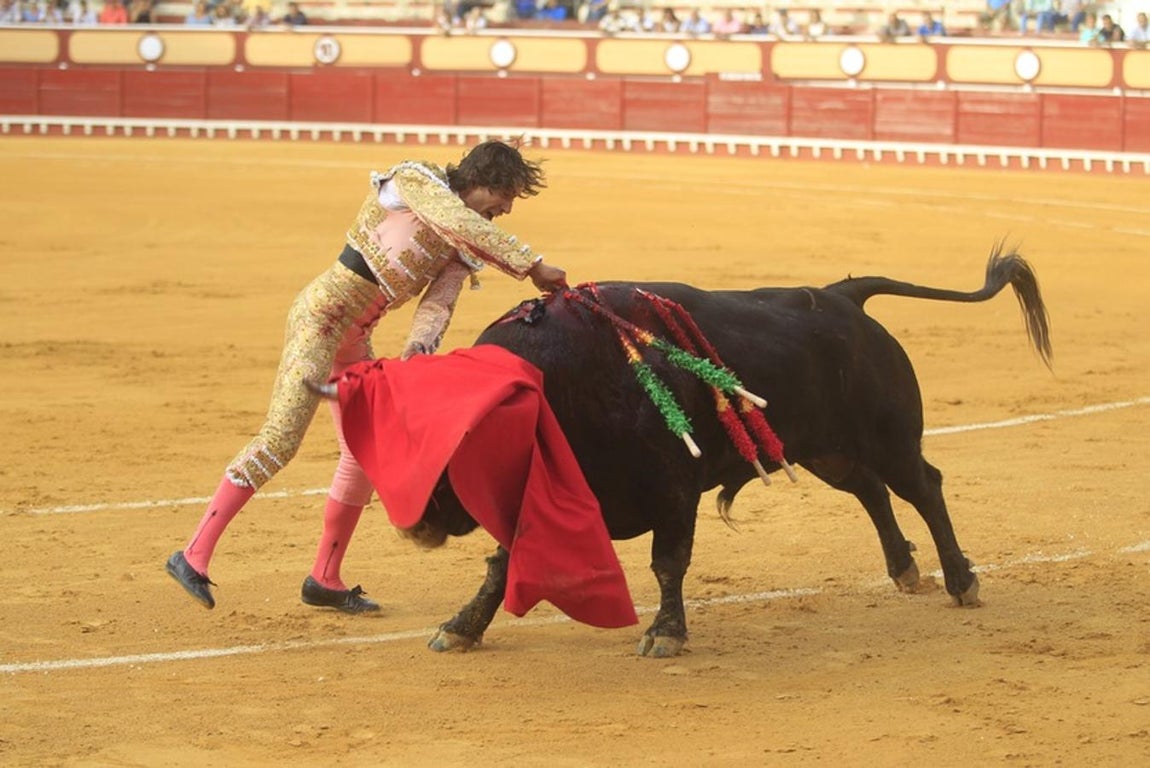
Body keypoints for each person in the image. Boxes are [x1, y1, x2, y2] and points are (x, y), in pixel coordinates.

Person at [165, 141, 569, 613]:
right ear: (483, 181)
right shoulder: (416, 182)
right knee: (281, 438)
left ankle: (325, 578)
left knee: (361, 455)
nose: (507, 209)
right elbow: (457, 221)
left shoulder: (465, 243)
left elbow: (437, 305)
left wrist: (417, 354)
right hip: (320, 319)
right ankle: (192, 554)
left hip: (354, 336)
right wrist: (532, 265)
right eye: (506, 195)